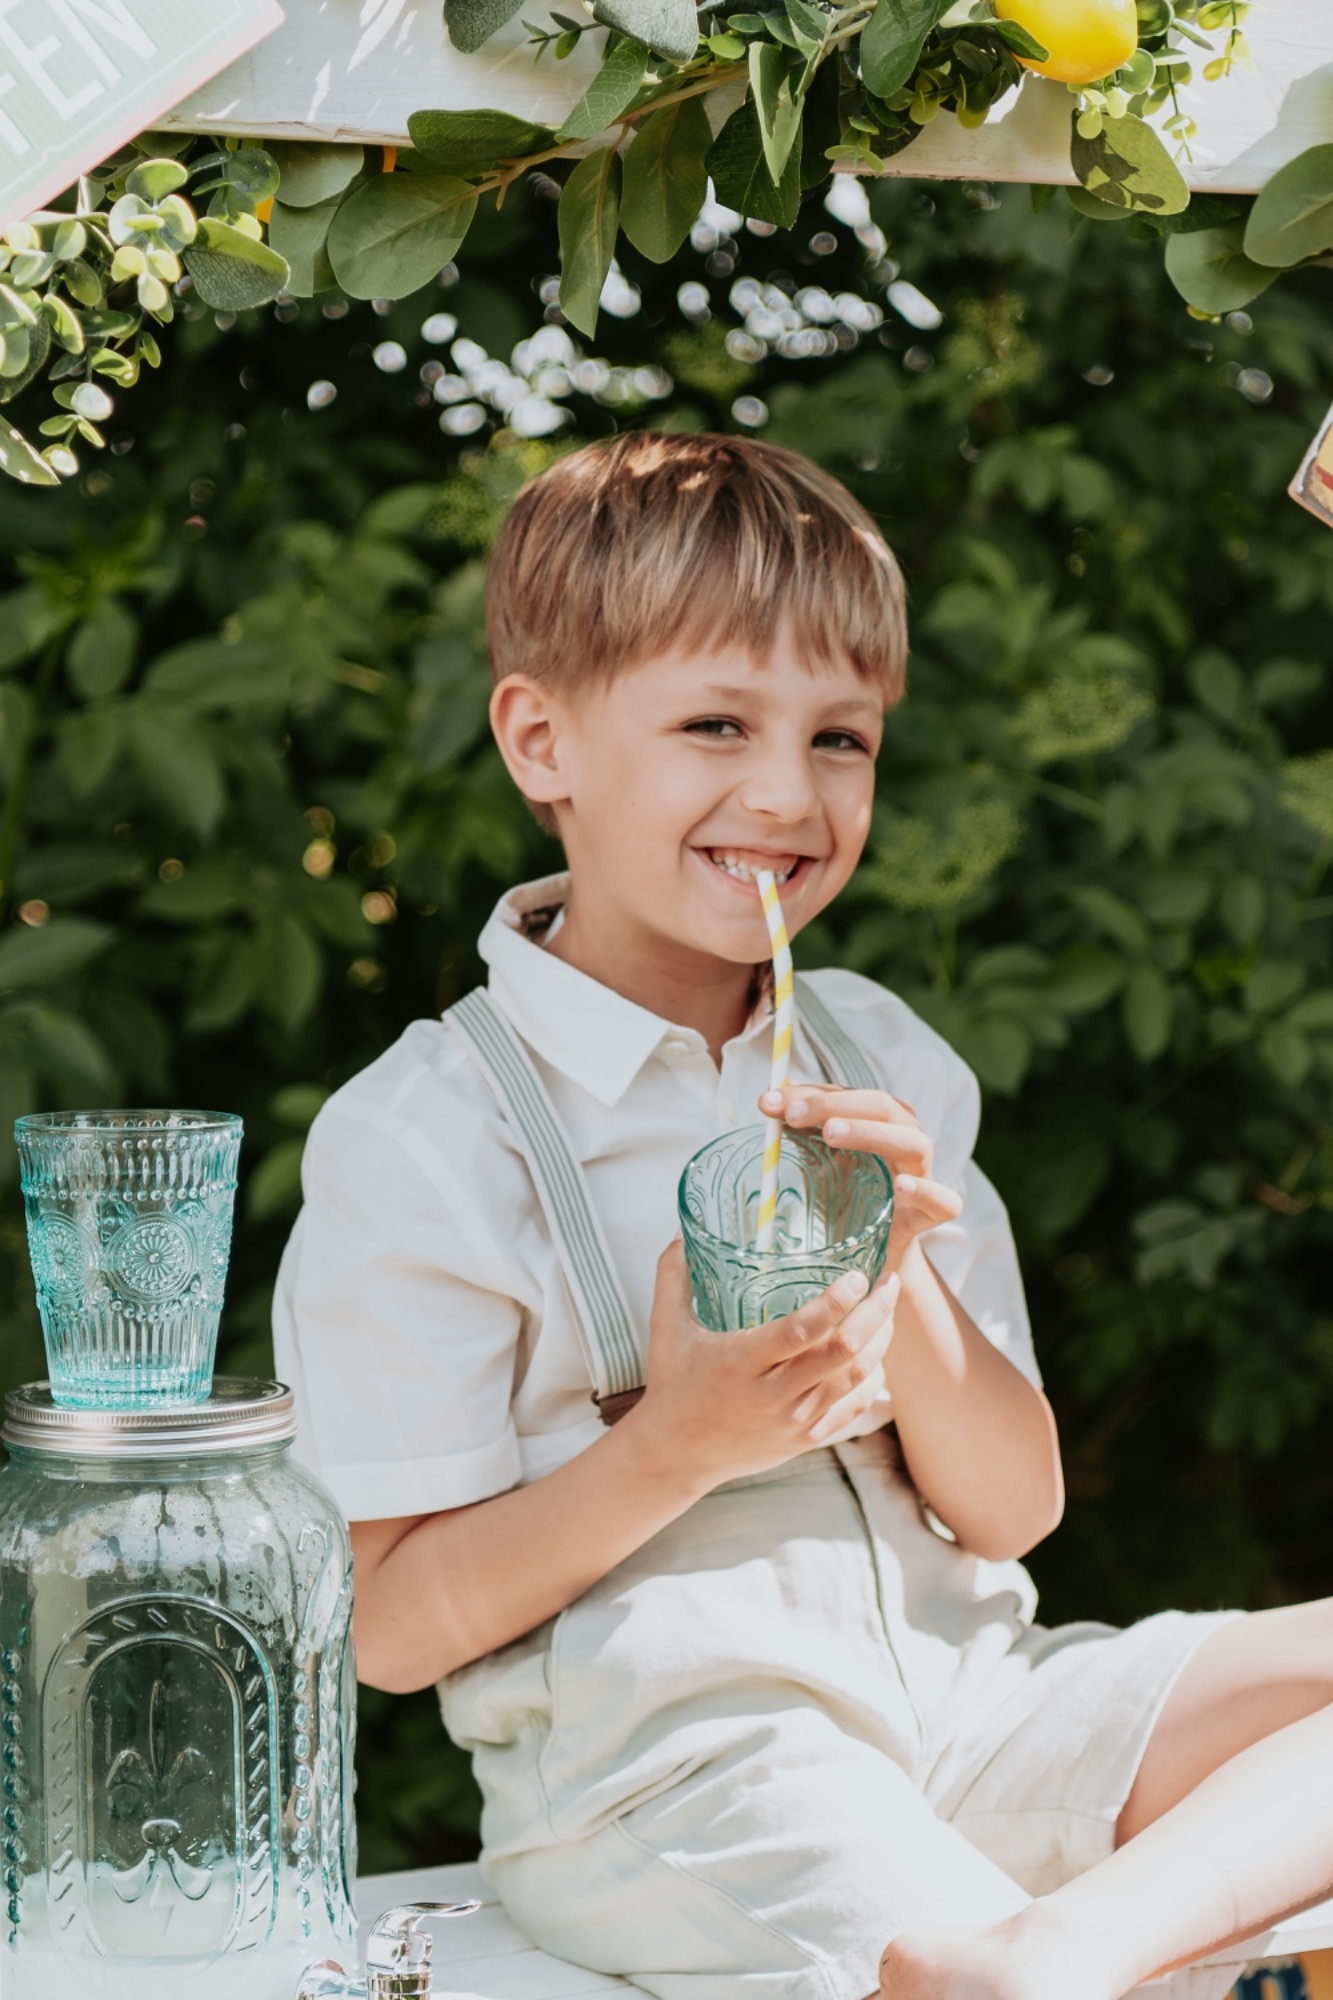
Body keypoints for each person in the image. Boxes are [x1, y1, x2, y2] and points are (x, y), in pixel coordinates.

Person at [273, 433, 1333, 2000]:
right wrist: (677, 1444)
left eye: (839, 739)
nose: (785, 794)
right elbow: (390, 1628)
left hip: (977, 1711)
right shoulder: (430, 1136)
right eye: (715, 724)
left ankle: (1057, 1949)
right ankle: (1031, 1958)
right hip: (682, 1778)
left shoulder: (882, 1053)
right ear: (541, 740)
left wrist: (903, 1284)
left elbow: (1012, 1511)